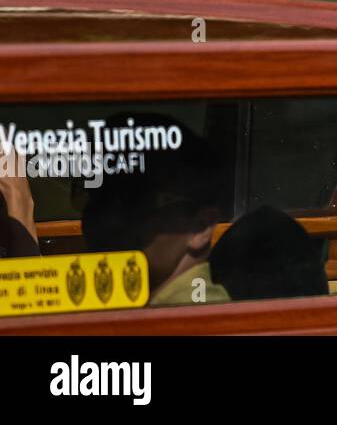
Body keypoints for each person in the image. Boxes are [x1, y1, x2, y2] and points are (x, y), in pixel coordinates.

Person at [80, 113, 232, 307]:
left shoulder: (195, 323)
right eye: (96, 196)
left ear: (200, 228)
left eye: (133, 200)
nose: (105, 218)